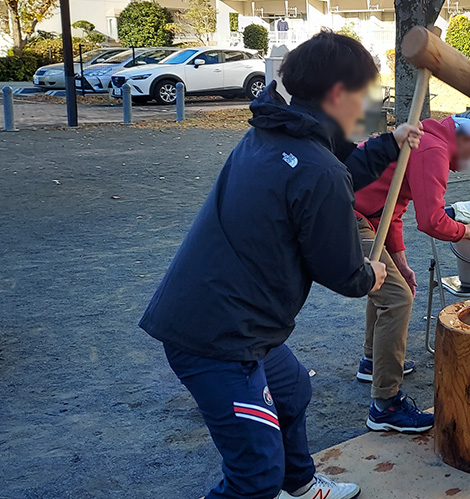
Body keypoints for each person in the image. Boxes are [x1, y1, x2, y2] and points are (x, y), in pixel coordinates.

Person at [138, 30, 422, 499]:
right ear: (337, 95)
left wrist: (390, 143)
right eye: (367, 98)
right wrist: (368, 276)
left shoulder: (273, 131)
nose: (370, 109)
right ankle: (279, 482)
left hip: (232, 318)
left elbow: (331, 169)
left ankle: (302, 484)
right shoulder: (315, 166)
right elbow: (343, 270)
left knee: (291, 392)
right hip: (219, 338)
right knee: (253, 476)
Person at [352, 110, 470, 433]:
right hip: (345, 213)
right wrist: (466, 231)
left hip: (361, 213)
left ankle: (372, 361)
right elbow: (431, 220)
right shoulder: (433, 150)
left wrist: (401, 263)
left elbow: (392, 209)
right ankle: (385, 404)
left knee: (387, 282)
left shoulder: (430, 141)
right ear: (466, 139)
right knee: (398, 299)